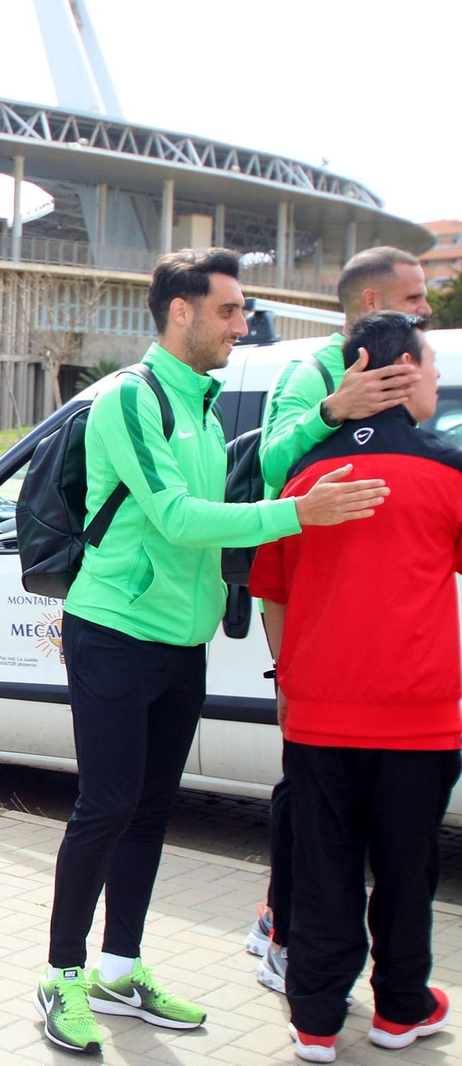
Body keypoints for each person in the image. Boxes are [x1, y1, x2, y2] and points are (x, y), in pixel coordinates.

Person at [36, 248, 391, 1055]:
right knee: (106, 808)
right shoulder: (132, 396)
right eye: (228, 310)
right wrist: (300, 515)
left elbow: (250, 473)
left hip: (179, 641)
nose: (242, 324)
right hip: (113, 632)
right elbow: (177, 517)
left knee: (148, 811)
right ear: (181, 312)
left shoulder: (203, 403)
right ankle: (61, 975)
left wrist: (325, 416)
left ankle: (118, 969)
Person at [251, 311, 457, 1063]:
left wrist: (288, 682)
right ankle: (400, 1009)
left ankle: (315, 1020)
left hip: (318, 713)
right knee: (407, 870)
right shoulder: (448, 469)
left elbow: (272, 593)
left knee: (323, 866)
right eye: (431, 365)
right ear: (398, 370)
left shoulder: (304, 477)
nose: (437, 379)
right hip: (419, 714)